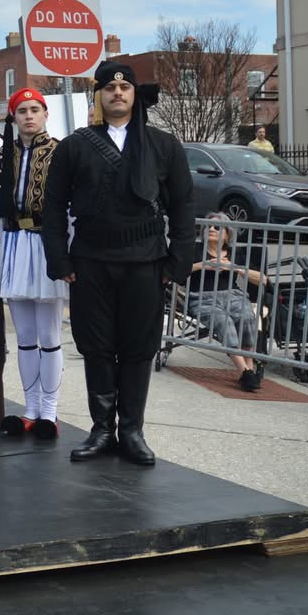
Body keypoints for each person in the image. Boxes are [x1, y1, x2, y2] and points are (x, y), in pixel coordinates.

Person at [42, 61, 194, 466]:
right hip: (90, 260)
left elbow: (183, 207)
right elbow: (53, 207)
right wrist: (59, 258)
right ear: (99, 96)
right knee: (96, 347)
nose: (117, 93)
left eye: (125, 87)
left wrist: (177, 261)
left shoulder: (164, 145)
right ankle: (101, 430)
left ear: (134, 94)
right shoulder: (74, 146)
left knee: (138, 348)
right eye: (109, 87)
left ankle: (131, 431)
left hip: (145, 261)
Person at [0, 88, 66, 439]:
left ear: (45, 114)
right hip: (14, 243)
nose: (29, 116)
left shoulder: (61, 152)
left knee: (49, 334)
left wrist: (67, 253)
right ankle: (31, 407)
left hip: (47, 243)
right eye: (22, 111)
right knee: (25, 336)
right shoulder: (2, 155)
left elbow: (70, 208)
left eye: (35, 109)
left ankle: (49, 409)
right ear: (13, 117)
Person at [187, 214, 265, 392]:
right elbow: (178, 271)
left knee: (247, 317)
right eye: (208, 226)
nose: (211, 229)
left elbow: (262, 278)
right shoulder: (195, 249)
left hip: (233, 295)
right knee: (224, 321)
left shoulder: (235, 253)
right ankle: (245, 371)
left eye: (217, 227)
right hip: (202, 296)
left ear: (227, 234)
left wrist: (235, 268)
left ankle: (249, 368)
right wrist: (202, 265)